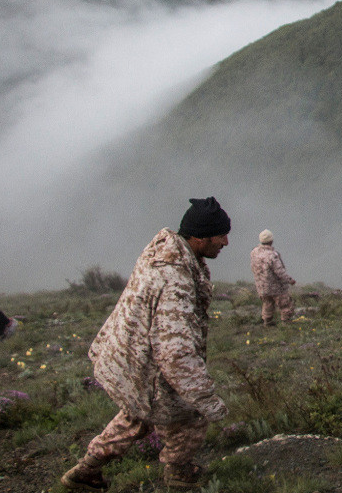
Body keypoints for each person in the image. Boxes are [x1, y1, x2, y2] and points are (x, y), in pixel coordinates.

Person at [60, 197, 231, 492]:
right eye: (221, 235)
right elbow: (174, 352)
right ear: (200, 237)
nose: (226, 242)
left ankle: (85, 471)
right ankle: (179, 476)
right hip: (147, 366)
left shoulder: (166, 252)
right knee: (189, 414)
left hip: (129, 358)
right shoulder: (174, 279)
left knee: (137, 416)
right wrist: (206, 400)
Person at [250, 229, 296, 326]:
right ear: (271, 240)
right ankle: (286, 323)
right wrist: (289, 280)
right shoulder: (272, 255)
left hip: (261, 286)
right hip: (275, 286)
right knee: (285, 304)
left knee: (267, 304)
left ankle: (267, 322)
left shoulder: (254, 252)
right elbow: (279, 271)